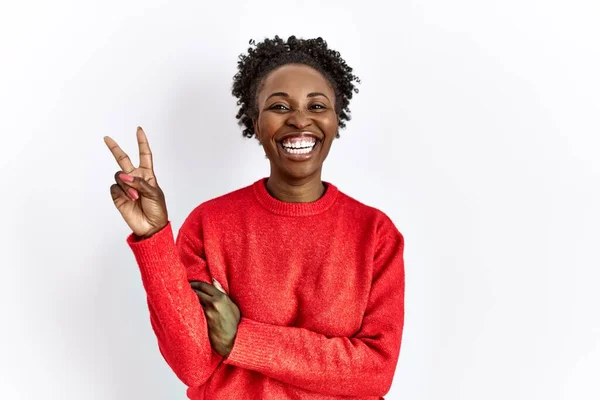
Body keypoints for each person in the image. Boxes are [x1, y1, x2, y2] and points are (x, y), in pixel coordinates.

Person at [104, 35, 405, 400]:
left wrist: (242, 338)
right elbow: (193, 365)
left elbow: (375, 371)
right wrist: (154, 238)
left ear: (335, 120)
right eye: (280, 107)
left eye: (316, 105)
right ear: (256, 122)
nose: (299, 120)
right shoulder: (210, 224)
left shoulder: (374, 233)